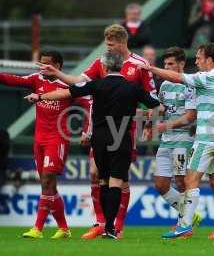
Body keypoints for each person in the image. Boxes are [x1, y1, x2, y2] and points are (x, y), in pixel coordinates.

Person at [39, 24, 155, 239]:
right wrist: (58, 74)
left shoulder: (140, 65)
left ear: (122, 42)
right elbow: (78, 83)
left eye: (111, 44)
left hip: (125, 129)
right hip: (100, 128)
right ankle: (101, 223)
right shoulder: (101, 63)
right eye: (106, 43)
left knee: (121, 178)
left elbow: (151, 98)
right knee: (95, 173)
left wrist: (146, 121)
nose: (108, 47)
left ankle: (117, 225)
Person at [139, 43, 214, 239]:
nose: (197, 62)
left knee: (190, 180)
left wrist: (150, 68)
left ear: (209, 59)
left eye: (199, 58)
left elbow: (177, 77)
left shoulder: (206, 78)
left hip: (206, 137)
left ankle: (184, 224)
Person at [0, 51, 90, 239]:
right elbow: (12, 80)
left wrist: (86, 130)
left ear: (57, 66)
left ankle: (38, 228)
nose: (42, 67)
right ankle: (64, 229)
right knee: (49, 186)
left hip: (57, 140)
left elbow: (88, 104)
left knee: (47, 181)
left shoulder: (67, 85)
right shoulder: (36, 79)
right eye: (41, 63)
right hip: (39, 140)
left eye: (47, 64)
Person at [154, 47, 201, 232]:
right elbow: (162, 110)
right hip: (166, 140)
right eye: (164, 64)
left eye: (170, 64)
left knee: (182, 181)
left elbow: (190, 116)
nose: (166, 67)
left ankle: (184, 224)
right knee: (160, 184)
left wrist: (167, 125)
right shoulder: (165, 85)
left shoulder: (189, 84)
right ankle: (189, 213)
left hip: (183, 140)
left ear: (181, 64)